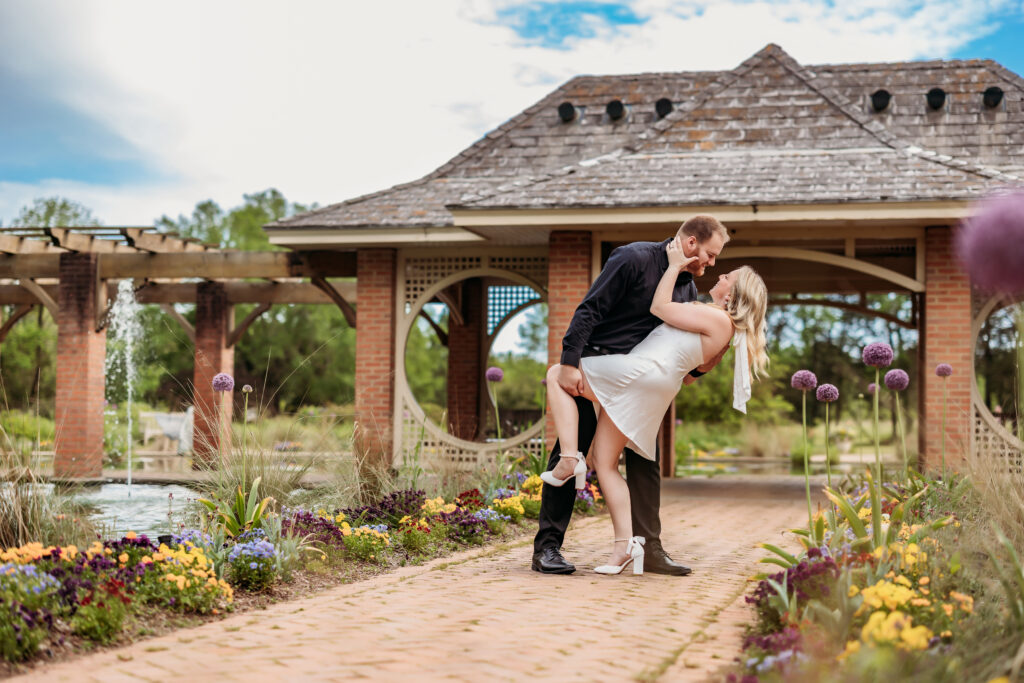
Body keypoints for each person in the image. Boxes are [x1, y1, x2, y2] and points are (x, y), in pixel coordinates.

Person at [541, 243, 769, 574]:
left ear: (733, 296)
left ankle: (567, 459)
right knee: (604, 464)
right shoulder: (719, 325)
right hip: (654, 385)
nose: (720, 272)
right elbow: (692, 377)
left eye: (728, 276)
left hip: (641, 373)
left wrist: (674, 265)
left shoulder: (715, 316)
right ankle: (624, 548)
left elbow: (660, 307)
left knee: (557, 374)